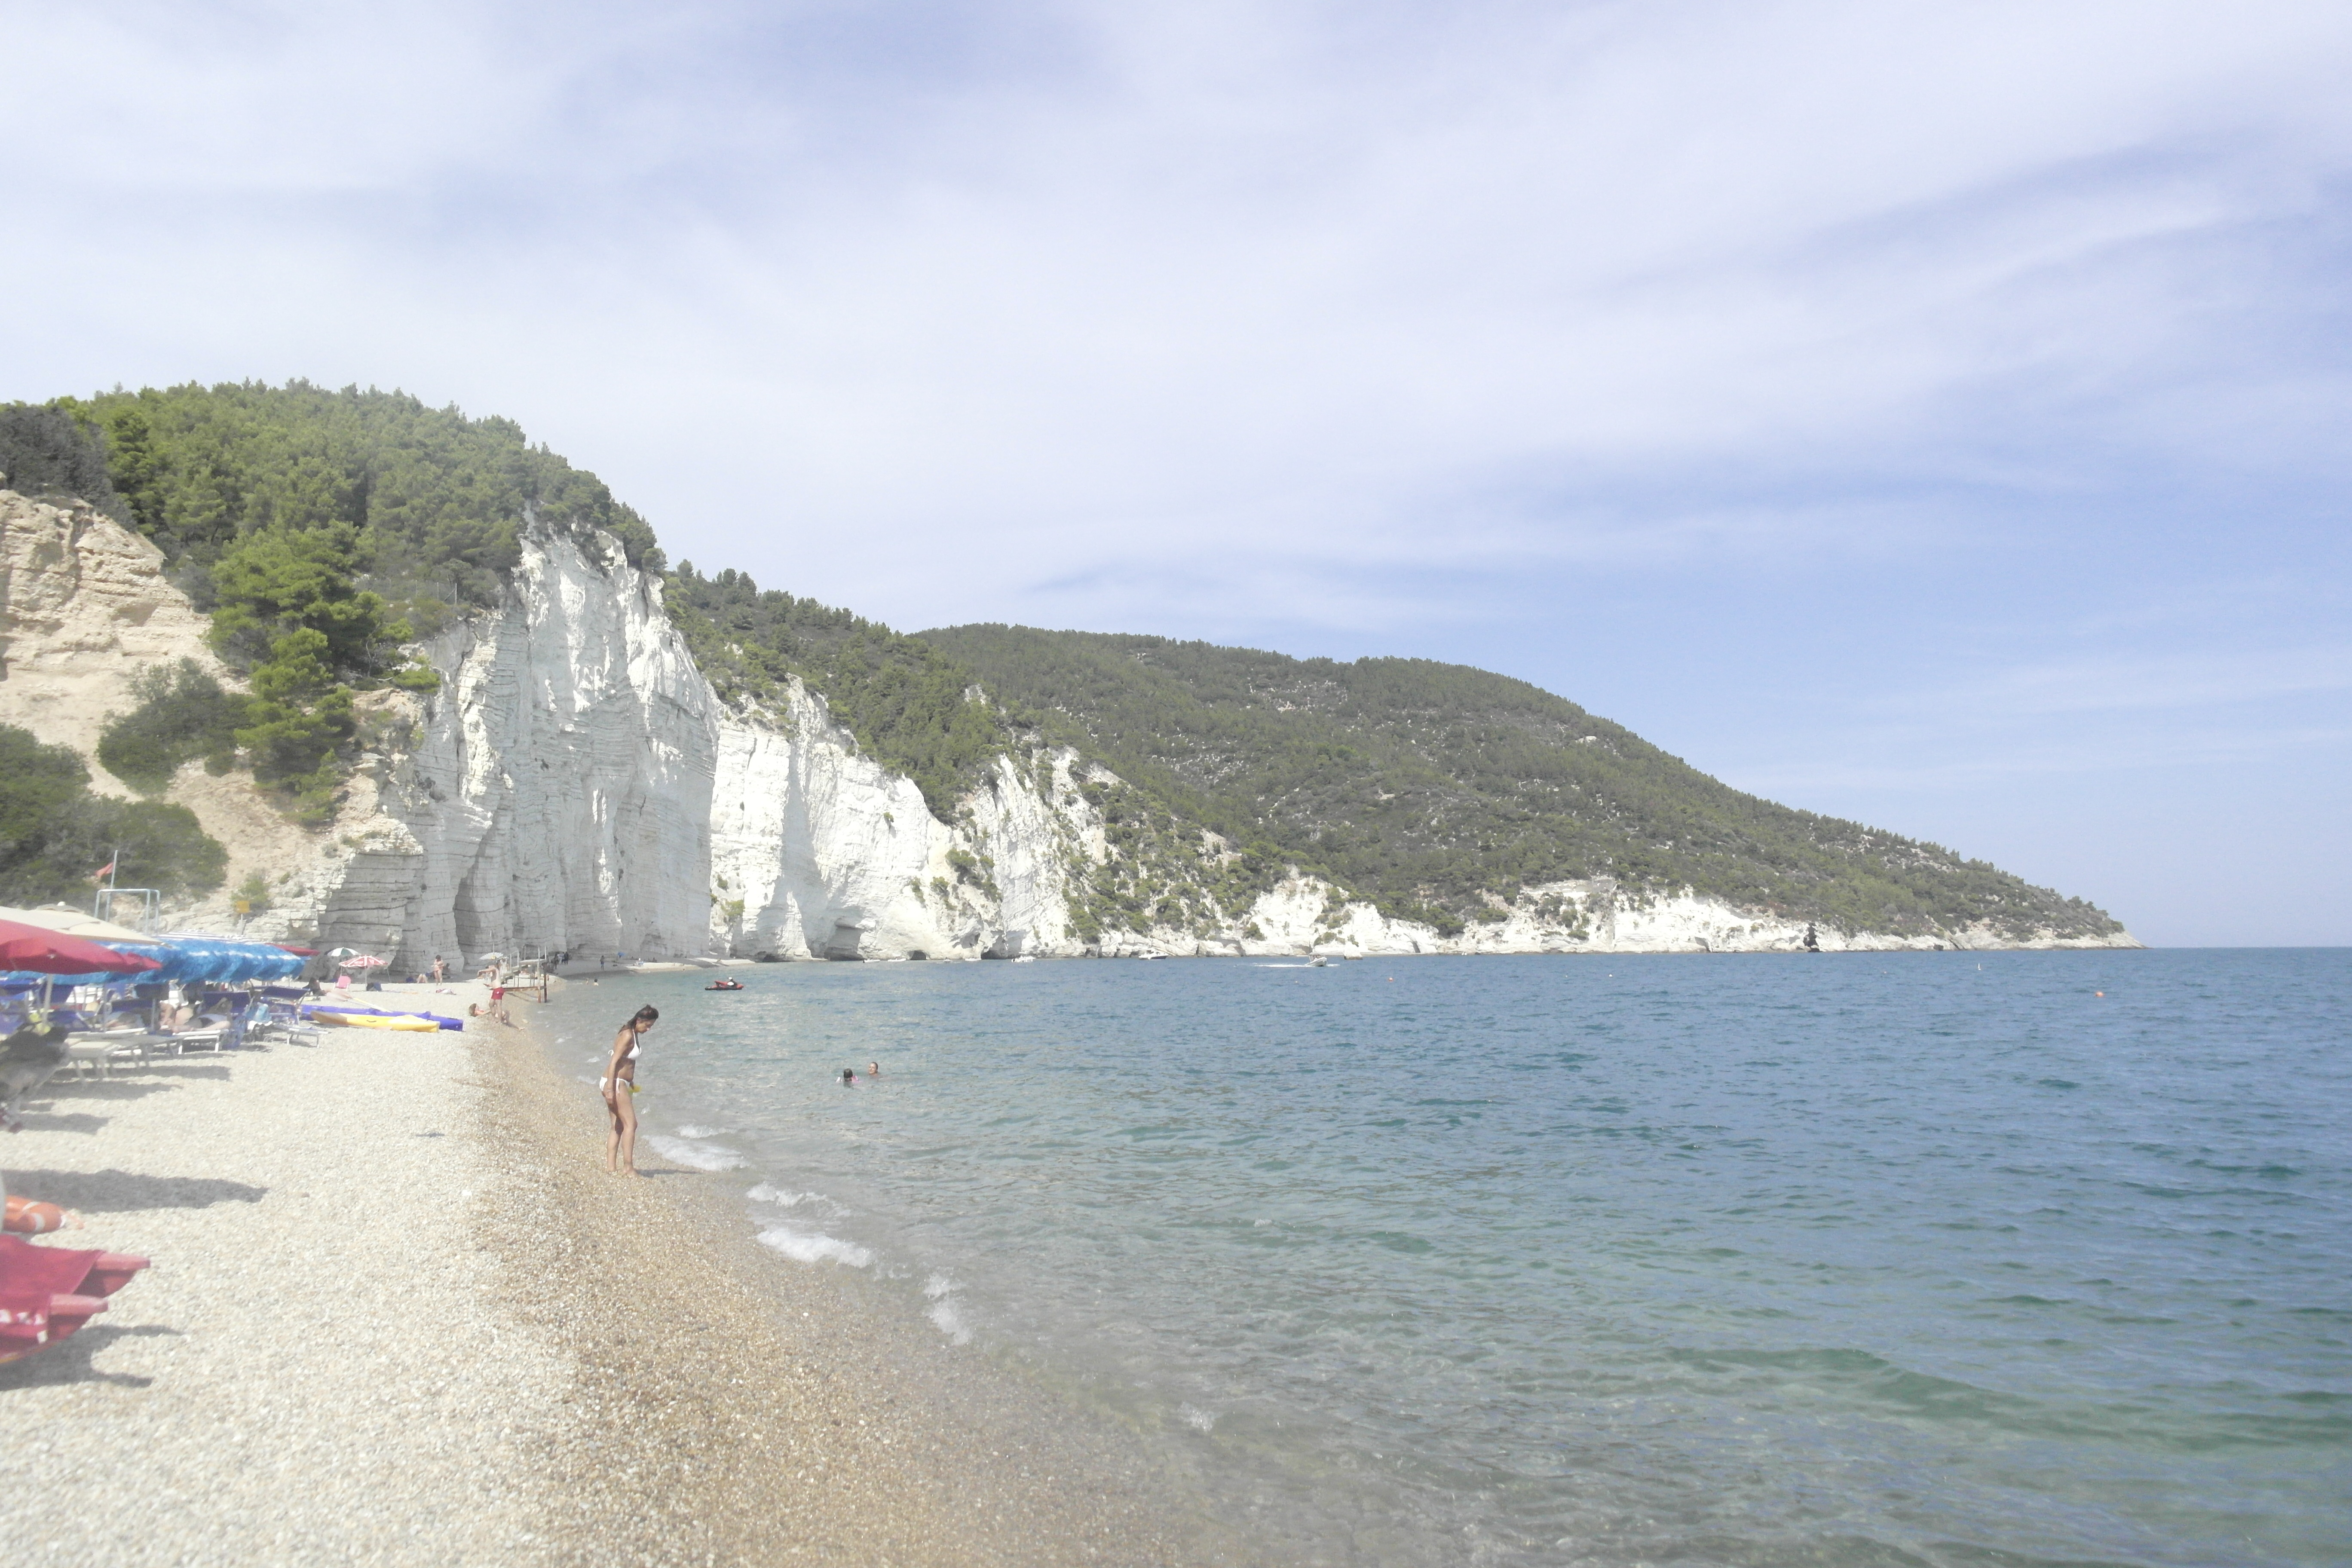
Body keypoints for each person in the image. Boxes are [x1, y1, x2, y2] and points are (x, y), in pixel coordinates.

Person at [603, 1005, 657, 1175]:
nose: (648, 1029)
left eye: (651, 1027)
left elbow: (628, 1063)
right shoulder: (627, 1035)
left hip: (620, 1083)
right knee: (631, 1124)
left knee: (618, 1126)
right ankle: (628, 1167)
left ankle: (611, 1168)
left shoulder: (633, 1033)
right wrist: (611, 1089)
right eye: (647, 1025)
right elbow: (614, 1062)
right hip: (615, 1083)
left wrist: (631, 1082)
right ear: (639, 1020)